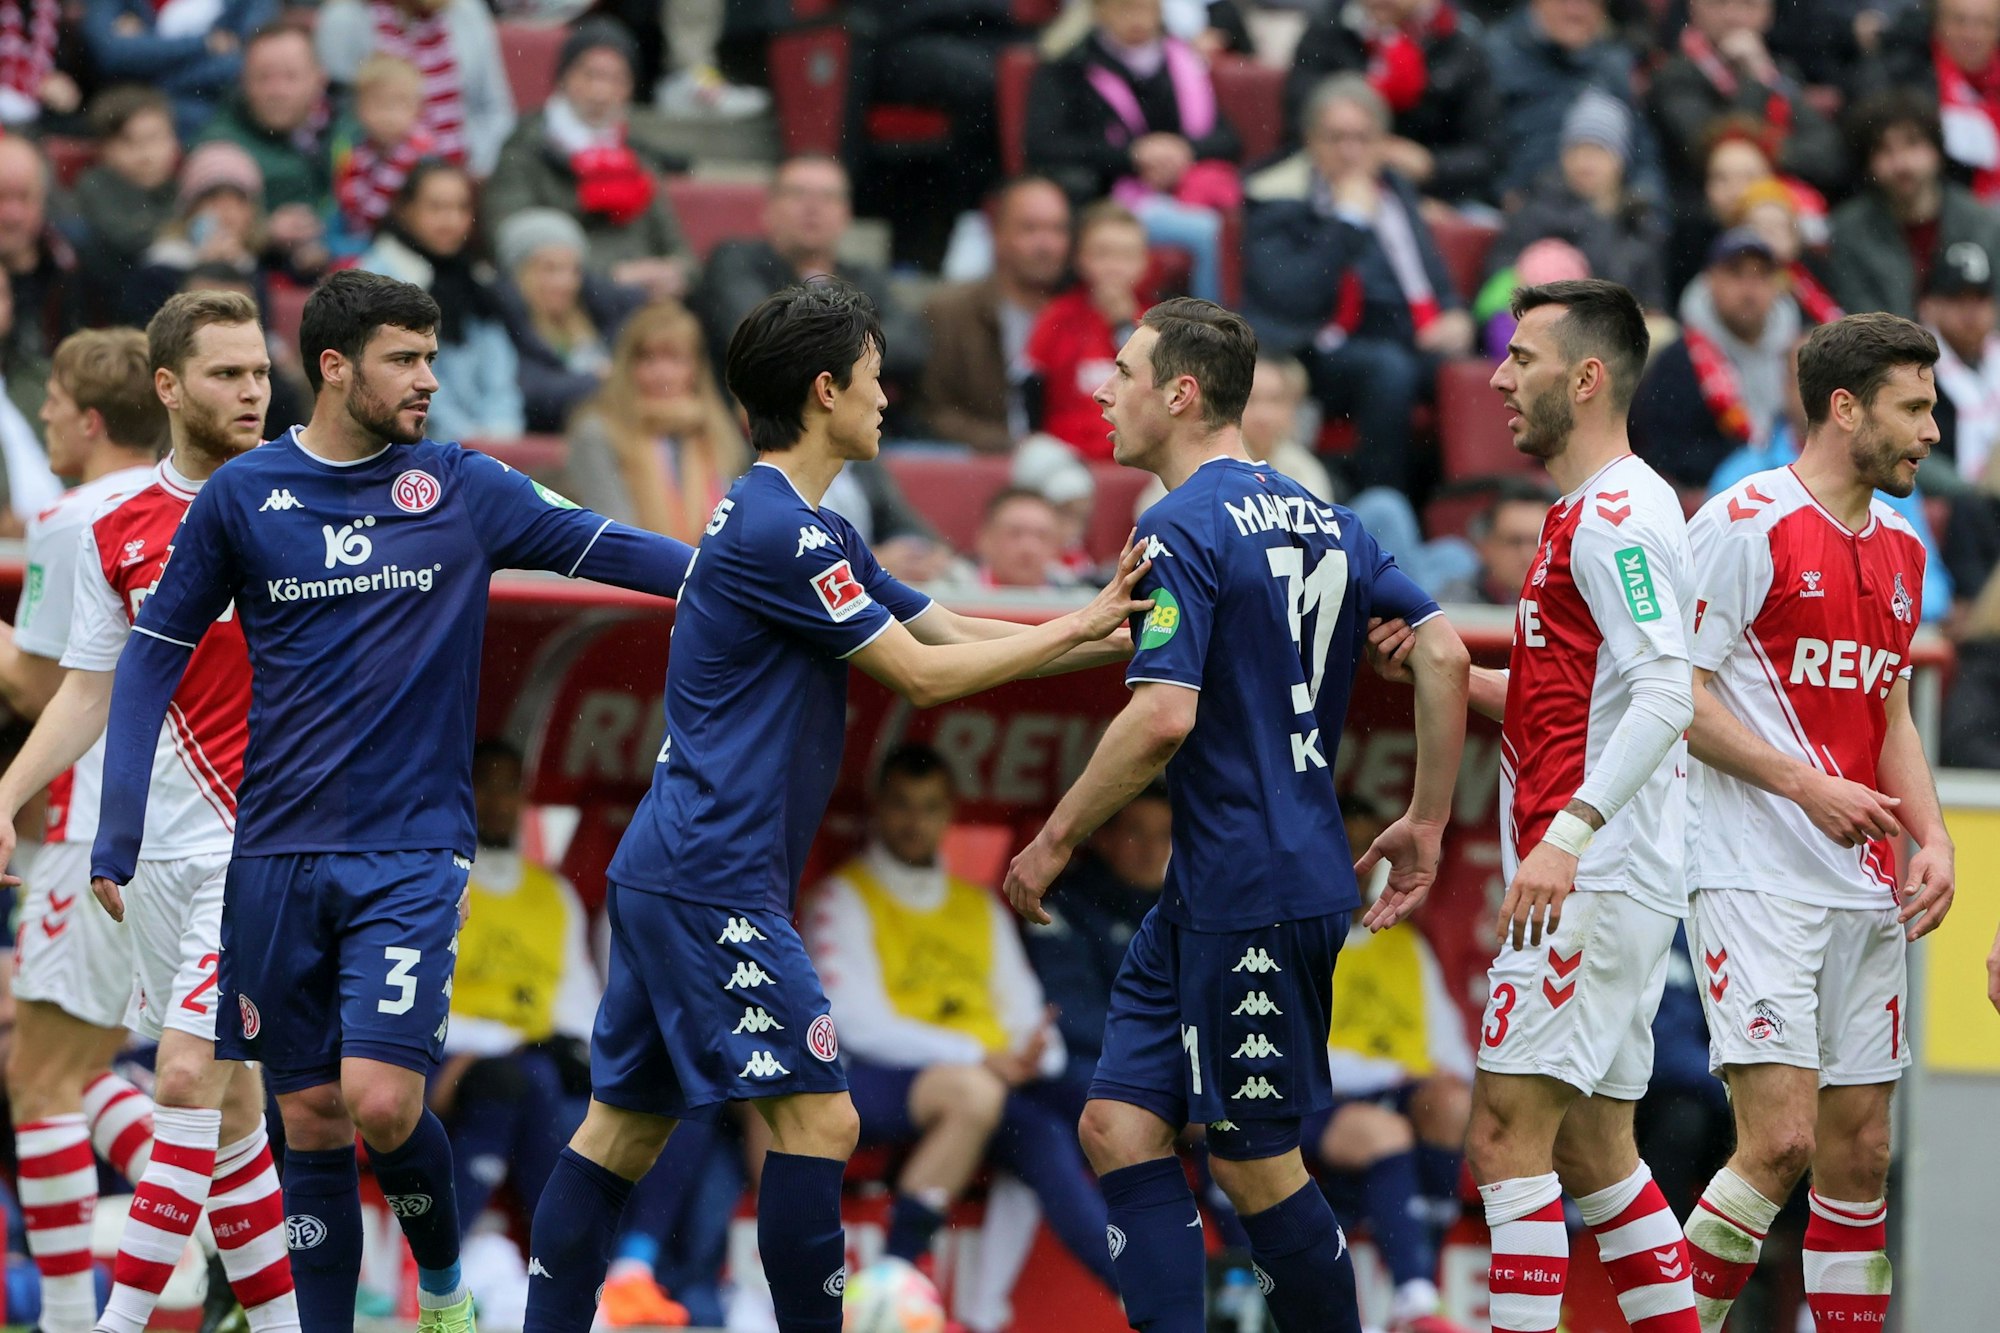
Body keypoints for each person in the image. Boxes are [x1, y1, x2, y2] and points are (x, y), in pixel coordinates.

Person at [517, 277, 1147, 1333]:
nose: (885, 397)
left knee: (623, 1131)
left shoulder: (810, 528)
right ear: (824, 390)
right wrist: (1080, 627)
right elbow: (924, 677)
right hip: (712, 879)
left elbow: (949, 628)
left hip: (675, 870)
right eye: (872, 377)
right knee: (820, 1119)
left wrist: (1114, 634)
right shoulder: (784, 532)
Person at [85, 268, 706, 1333]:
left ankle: (446, 1292)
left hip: (411, 849)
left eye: (431, 356)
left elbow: (620, 550)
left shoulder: (460, 485)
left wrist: (754, 578)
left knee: (379, 1097)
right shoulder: (245, 495)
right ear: (335, 367)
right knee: (311, 1113)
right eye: (404, 359)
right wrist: (119, 826)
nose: (428, 379)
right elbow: (152, 654)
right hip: (273, 854)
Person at [1001, 297, 1472, 1333]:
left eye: (1123, 374)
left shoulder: (1178, 524)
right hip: (1215, 887)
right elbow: (1442, 650)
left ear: (1180, 393)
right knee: (1117, 1125)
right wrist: (1428, 817)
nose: (1101, 393)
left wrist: (1054, 838)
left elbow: (1161, 715)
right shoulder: (1328, 517)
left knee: (1253, 1161)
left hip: (1253, 887)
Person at [1372, 279, 1702, 1333]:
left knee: (1504, 1138)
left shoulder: (1614, 516)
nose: (1499, 380)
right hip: (1606, 871)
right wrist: (1447, 675)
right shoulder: (1595, 508)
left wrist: (1566, 838)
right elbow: (1579, 697)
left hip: (1587, 877)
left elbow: (1665, 693)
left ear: (1587, 377)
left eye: (1522, 359)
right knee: (1596, 1152)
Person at [0, 297, 300, 1333]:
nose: (254, 391)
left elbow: (35, 681)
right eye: (229, 373)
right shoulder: (113, 528)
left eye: (260, 371)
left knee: (79, 1074)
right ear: (167, 389)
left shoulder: (305, 503)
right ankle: (264, 1308)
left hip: (230, 846)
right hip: (139, 852)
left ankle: (86, 1319)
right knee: (225, 1104)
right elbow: (85, 689)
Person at [1676, 312, 1956, 1332]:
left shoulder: (1904, 548)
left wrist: (1932, 836)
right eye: (1912, 408)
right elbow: (1674, 695)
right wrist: (1804, 785)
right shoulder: (1742, 522)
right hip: (1752, 874)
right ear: (1844, 408)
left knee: (1859, 1153)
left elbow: (1888, 711)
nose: (1931, 432)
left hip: (1862, 887)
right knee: (1779, 1142)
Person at [802, 743, 1117, 1293]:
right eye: (901, 804)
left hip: (991, 1080)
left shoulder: (978, 906)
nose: (914, 821)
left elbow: (1026, 1014)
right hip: (879, 1078)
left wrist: (1031, 1056)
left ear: (950, 813)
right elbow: (852, 1023)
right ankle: (897, 1278)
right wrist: (979, 1057)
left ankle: (1151, 1290)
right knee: (981, 1098)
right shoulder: (842, 897)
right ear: (878, 808)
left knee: (1098, 1111)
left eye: (929, 806)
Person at [0, 329, 163, 1333]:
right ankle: (238, 1238)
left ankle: (67, 1316)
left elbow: (44, 686)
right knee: (119, 1073)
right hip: (178, 825)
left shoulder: (74, 518)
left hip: (85, 823)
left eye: (55, 400)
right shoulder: (195, 503)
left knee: (42, 1081)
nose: (45, 415)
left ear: (92, 419)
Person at [1243, 75, 1473, 497]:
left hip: (1407, 332)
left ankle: (1467, 500)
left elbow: (1429, 271)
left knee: (1476, 372)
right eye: (1336, 138)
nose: (1350, 152)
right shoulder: (1277, 196)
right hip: (1318, 344)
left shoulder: (1394, 190)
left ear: (1382, 143)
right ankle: (1381, 504)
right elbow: (1290, 297)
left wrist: (1454, 312)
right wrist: (1346, 221)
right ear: (1311, 142)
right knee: (1389, 369)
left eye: (1362, 139)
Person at [1307, 834, 1474, 1333]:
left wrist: (1452, 1081)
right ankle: (1413, 1296)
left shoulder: (1405, 944)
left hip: (1399, 1092)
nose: (1359, 869)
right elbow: (1298, 1055)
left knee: (1454, 1105)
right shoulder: (1299, 943)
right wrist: (1388, 1073)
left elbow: (1451, 1050)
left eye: (1369, 855)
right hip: (1321, 1097)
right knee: (1385, 1133)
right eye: (1348, 854)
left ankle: (1423, 1260)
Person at [1025, 0, 1242, 305]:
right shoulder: (1071, 65)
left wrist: (1182, 151)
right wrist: (1131, 156)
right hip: (1106, 197)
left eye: (1146, 8)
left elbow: (1228, 140)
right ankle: (1209, 324)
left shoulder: (1184, 62)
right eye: (1125, 8)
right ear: (1099, 11)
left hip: (1181, 192)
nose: (1137, 20)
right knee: (1206, 231)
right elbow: (1045, 146)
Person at [691, 156, 928, 411]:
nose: (813, 208)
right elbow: (759, 336)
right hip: (757, 418)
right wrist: (854, 349)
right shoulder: (735, 260)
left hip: (857, 422)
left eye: (828, 197)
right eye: (798, 194)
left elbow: (910, 345)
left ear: (846, 215)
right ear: (768, 209)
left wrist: (811, 348)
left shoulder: (864, 278)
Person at [482, 18, 691, 304]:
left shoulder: (637, 155)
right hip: (564, 300)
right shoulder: (527, 146)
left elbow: (680, 252)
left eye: (616, 79)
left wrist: (674, 274)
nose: (601, 92)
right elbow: (510, 238)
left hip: (645, 300)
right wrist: (609, 277)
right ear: (563, 78)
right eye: (590, 75)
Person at [355, 160, 525, 442]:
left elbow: (500, 377)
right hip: (406, 443)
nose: (451, 221)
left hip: (485, 443)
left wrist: (501, 431)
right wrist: (466, 443)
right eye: (436, 208)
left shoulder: (476, 278)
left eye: (461, 208)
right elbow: (403, 381)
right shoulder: (376, 281)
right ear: (406, 210)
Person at [1022, 785, 1173, 1090]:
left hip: (1171, 1063)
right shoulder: (1060, 911)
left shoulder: (1185, 913)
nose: (1152, 850)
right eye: (1136, 832)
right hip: (1087, 1064)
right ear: (1103, 837)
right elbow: (1072, 1014)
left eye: (1164, 835)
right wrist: (1163, 1054)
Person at [558, 300, 745, 544]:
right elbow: (613, 535)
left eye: (675, 359)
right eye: (648, 359)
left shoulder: (716, 433)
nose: (662, 374)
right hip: (630, 565)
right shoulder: (596, 433)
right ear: (627, 366)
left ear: (696, 369)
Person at [1283, 0, 1500, 206]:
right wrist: (1359, 145)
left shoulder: (1458, 46)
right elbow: (1300, 119)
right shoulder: (1328, 31)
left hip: (1435, 194)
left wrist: (1431, 165)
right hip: (1327, 181)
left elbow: (1487, 153)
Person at [1631, 227, 1801, 490]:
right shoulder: (1679, 361)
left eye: (1761, 275)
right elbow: (1665, 455)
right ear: (1710, 280)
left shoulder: (1796, 355)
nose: (1749, 290)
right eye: (1736, 274)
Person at [918, 176, 1072, 454]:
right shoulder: (950, 313)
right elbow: (929, 412)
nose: (1046, 244)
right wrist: (1011, 446)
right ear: (997, 234)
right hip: (977, 467)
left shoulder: (1084, 315)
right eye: (1030, 228)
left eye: (1057, 229)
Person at [1489, 89, 1668, 312]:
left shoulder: (1638, 221)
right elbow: (1500, 278)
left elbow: (1653, 301)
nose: (1585, 162)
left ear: (1621, 160)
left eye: (1598, 150)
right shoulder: (1536, 208)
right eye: (1577, 149)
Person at [1646, 0, 1844, 201]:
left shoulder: (1780, 70)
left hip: (1783, 205)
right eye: (1718, 4)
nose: (1733, 16)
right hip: (1706, 210)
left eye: (1748, 4)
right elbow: (1723, 147)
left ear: (1768, 14)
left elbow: (1827, 154)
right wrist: (1753, 76)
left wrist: (1773, 149)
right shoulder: (1674, 75)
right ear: (1693, 8)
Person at [1829, 90, 2000, 320]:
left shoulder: (1983, 222)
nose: (1901, 163)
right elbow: (1857, 318)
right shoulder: (1849, 230)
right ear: (1868, 163)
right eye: (1884, 149)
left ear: (1937, 150)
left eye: (1912, 143)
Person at [1483, 0, 1663, 204]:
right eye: (1565, 1)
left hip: (1600, 212)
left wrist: (1643, 205)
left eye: (1590, 3)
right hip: (1514, 208)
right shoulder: (1496, 56)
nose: (1576, 11)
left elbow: (1643, 155)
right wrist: (1503, 193)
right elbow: (1479, 147)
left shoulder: (1614, 65)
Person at [315, 0, 516, 179]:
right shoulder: (344, 19)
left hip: (462, 176)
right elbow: (334, 117)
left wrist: (477, 170)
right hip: (379, 180)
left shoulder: (467, 10)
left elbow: (496, 109)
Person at [197, 23, 335, 279]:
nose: (277, 91)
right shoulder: (219, 149)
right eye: (263, 77)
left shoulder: (353, 129)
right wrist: (264, 232)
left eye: (290, 76)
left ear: (320, 78)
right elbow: (197, 234)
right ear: (243, 81)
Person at [493, 209, 644, 436]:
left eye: (573, 270)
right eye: (549, 269)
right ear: (519, 274)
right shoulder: (507, 324)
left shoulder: (597, 314)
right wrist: (603, 380)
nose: (565, 282)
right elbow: (531, 393)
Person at [1022, 202, 1150, 461]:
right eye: (1102, 254)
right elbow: (1030, 387)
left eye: (1126, 255)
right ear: (1080, 258)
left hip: (1138, 453)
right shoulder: (1057, 317)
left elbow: (1154, 385)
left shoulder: (1156, 321)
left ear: (1144, 262)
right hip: (1066, 453)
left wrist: (1123, 324)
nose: (1114, 266)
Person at [82, 0, 271, 140]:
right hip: (131, 109)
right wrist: (205, 43)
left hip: (214, 109)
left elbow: (237, 64)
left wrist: (146, 47)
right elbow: (112, 54)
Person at [72, 88, 182, 323]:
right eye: (128, 141)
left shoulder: (182, 187)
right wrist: (183, 231)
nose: (145, 154)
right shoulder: (96, 185)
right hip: (117, 308)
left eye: (154, 138)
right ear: (104, 148)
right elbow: (125, 238)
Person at [332, 56, 441, 240]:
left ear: (417, 109)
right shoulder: (356, 154)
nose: (388, 115)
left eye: (399, 104)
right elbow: (346, 206)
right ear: (359, 109)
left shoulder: (425, 156)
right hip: (363, 238)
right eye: (379, 104)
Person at [1922, 237, 2000, 487]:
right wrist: (1969, 493)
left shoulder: (1995, 356)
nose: (1971, 312)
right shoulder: (1914, 367)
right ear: (1929, 306)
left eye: (1980, 299)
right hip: (1943, 502)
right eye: (1958, 298)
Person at [1464, 479, 1560, 605]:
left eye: (1539, 542)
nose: (1527, 554)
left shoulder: (1575, 602)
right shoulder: (1454, 604)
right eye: (1514, 541)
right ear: (1485, 546)